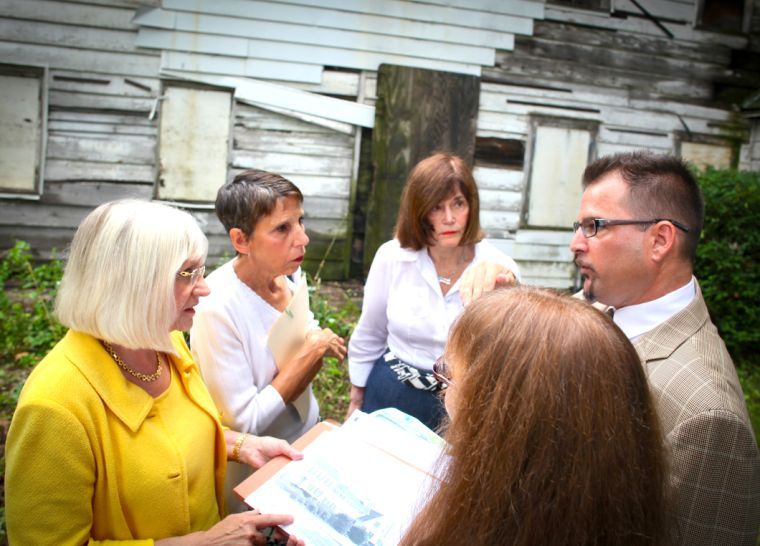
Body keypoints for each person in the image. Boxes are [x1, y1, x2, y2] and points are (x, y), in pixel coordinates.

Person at [461, 151, 760, 545]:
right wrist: (506, 298)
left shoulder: (707, 417)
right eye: (578, 226)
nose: (575, 244)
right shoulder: (606, 304)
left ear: (660, 240)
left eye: (594, 226)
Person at [4, 200, 304, 545]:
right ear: (128, 283)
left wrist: (240, 444)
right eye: (187, 273)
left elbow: (166, 434)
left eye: (202, 270)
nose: (204, 288)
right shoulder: (53, 406)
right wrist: (203, 543)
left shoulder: (166, 342)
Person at [400, 286, 671, 545]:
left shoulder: (483, 525)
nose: (442, 389)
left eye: (449, 374)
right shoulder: (602, 515)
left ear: (500, 413)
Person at [190, 169, 346, 512]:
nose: (303, 238)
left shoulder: (285, 275)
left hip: (305, 439)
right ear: (241, 240)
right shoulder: (216, 309)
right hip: (259, 471)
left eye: (300, 222)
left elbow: (300, 325)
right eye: (282, 228)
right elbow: (243, 425)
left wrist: (316, 335)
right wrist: (311, 354)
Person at [347, 152, 520, 430]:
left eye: (458, 204)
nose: (450, 218)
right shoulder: (392, 257)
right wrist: (357, 396)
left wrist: (510, 289)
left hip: (462, 405)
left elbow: (512, 352)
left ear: (471, 206)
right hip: (392, 391)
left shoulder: (499, 270)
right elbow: (371, 331)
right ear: (418, 211)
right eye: (436, 207)